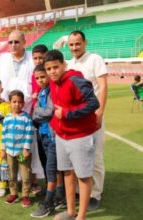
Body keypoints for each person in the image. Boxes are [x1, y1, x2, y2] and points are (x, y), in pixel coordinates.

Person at [44, 50, 99, 220]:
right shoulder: (53, 82)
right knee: (67, 172)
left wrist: (68, 114)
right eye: (48, 68)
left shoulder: (75, 79)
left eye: (56, 67)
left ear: (64, 65)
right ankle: (70, 212)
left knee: (83, 176)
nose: (52, 71)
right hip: (62, 136)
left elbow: (93, 103)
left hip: (80, 136)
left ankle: (80, 217)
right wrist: (56, 124)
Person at [0, 30, 45, 192]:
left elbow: (38, 79)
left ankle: (32, 182)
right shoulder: (3, 59)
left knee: (30, 147)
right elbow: (0, 81)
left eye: (16, 42)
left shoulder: (32, 58)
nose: (13, 45)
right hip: (9, 109)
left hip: (29, 108)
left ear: (24, 42)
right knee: (10, 145)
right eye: (10, 42)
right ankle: (11, 183)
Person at [67, 30, 107, 211]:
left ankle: (95, 194)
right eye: (71, 44)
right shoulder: (68, 65)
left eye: (77, 43)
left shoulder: (95, 59)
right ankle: (79, 191)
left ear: (85, 43)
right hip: (76, 120)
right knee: (77, 157)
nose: (74, 47)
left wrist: (100, 113)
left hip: (93, 117)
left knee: (95, 156)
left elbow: (104, 86)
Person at [30, 64, 65, 218]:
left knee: (51, 170)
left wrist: (37, 114)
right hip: (44, 134)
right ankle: (60, 197)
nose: (40, 80)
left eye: (42, 76)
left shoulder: (52, 89)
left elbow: (49, 111)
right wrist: (39, 113)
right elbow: (40, 112)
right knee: (55, 169)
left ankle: (48, 203)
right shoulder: (42, 91)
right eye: (37, 78)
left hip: (53, 136)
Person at [1, 90, 34, 208]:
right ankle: (13, 194)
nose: (17, 104)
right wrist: (3, 150)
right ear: (9, 103)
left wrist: (26, 149)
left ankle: (25, 196)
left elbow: (29, 134)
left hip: (21, 153)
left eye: (19, 102)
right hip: (10, 152)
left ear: (23, 103)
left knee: (25, 174)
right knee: (12, 174)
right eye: (14, 102)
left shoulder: (26, 118)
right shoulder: (7, 118)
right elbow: (4, 135)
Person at [30, 44, 49, 195]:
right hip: (39, 122)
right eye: (35, 58)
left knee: (53, 159)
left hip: (50, 124)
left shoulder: (52, 76)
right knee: (43, 155)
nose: (38, 60)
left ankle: (55, 190)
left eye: (40, 57)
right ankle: (50, 187)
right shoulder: (34, 73)